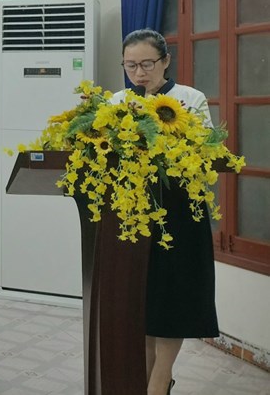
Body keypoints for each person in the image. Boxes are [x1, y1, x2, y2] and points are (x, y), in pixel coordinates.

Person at [111, 28, 218, 395]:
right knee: (142, 300)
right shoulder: (116, 103)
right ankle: (147, 374)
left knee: (174, 297)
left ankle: (160, 377)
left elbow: (206, 150)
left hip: (180, 213)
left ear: (166, 61)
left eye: (147, 64)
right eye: (130, 66)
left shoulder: (190, 98)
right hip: (133, 214)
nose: (139, 73)